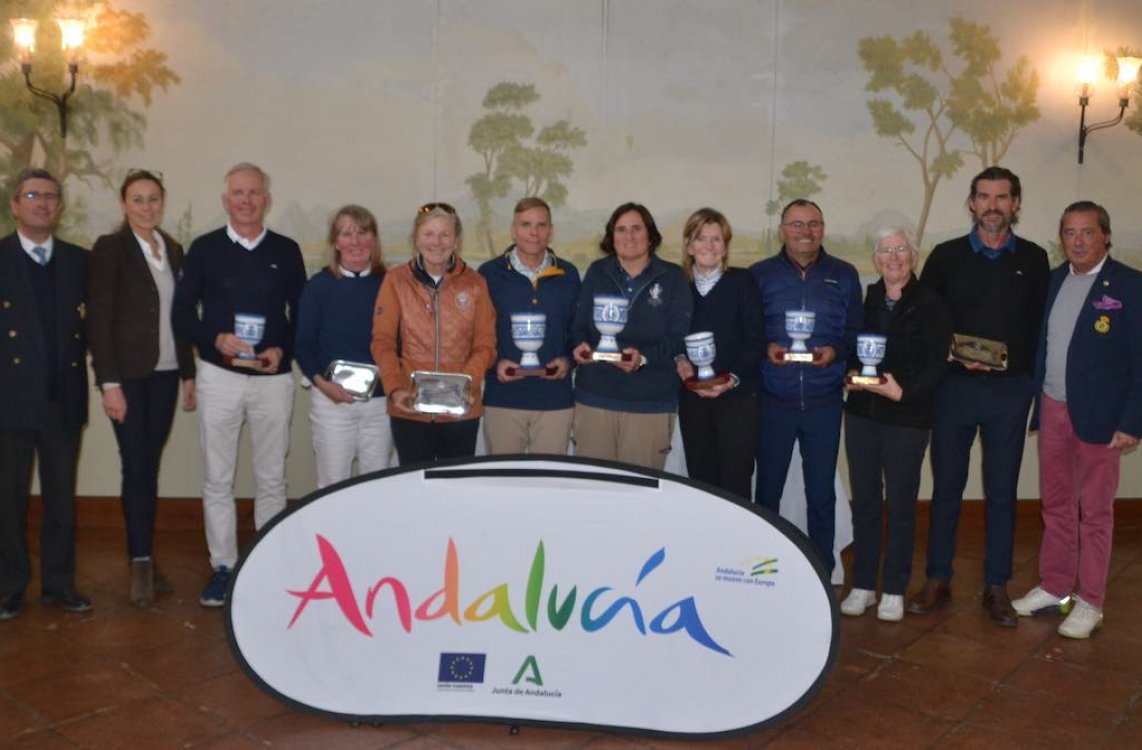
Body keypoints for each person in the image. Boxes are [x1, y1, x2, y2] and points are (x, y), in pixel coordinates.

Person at [908, 166, 1049, 627]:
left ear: (1016, 204)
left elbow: (1039, 329)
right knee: (947, 487)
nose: (993, 206)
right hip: (954, 390)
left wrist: (1031, 384)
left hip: (1010, 393)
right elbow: (925, 323)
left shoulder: (1034, 258)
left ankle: (996, 586)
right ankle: (938, 578)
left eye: (1002, 197)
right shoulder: (946, 257)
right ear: (971, 203)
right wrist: (950, 354)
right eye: (984, 197)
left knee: (1003, 492)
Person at [172, 163, 306, 608]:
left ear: (267, 198)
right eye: (237, 193)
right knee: (218, 477)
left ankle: (266, 563)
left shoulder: (287, 251)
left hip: (271, 378)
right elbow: (182, 314)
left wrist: (280, 352)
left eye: (254, 193)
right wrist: (214, 338)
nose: (246, 200)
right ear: (226, 199)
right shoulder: (204, 249)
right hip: (219, 376)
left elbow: (300, 316)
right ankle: (224, 567)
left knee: (271, 476)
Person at [1012, 201, 1142, 639]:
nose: (1079, 241)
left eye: (1087, 232)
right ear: (1061, 238)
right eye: (1070, 233)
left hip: (1102, 420)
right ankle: (1054, 587)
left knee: (1097, 514)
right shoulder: (1052, 281)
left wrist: (1133, 421)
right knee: (1056, 505)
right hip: (1053, 408)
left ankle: (1090, 602)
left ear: (1105, 234)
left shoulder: (1130, 285)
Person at [87, 170, 197, 607]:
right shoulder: (110, 249)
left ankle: (146, 555)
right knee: (135, 464)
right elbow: (99, 320)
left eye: (153, 199)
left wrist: (188, 372)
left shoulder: (171, 249)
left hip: (167, 375)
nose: (146, 207)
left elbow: (182, 317)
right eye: (138, 199)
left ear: (163, 203)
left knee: (148, 465)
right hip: (129, 377)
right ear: (124, 204)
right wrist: (109, 384)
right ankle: (139, 562)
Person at [840, 227, 952, 622]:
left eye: (901, 249)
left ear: (914, 256)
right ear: (875, 260)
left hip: (907, 417)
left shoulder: (932, 303)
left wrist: (902, 392)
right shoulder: (866, 298)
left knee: (902, 506)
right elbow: (848, 345)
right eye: (885, 250)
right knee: (866, 504)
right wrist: (850, 372)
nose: (893, 257)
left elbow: (938, 363)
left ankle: (893, 588)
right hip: (861, 415)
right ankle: (864, 585)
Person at [750, 199, 862, 575]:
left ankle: (822, 570)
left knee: (821, 493)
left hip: (824, 400)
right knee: (767, 491)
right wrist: (765, 348)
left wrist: (836, 352)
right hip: (773, 401)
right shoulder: (759, 275)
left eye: (813, 224)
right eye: (796, 224)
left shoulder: (844, 275)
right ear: (782, 230)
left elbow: (854, 334)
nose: (805, 231)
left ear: (823, 229)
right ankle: (763, 569)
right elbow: (748, 333)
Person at [0, 168, 92, 620]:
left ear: (59, 206)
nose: (43, 203)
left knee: (61, 499)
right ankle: (9, 585)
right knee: (8, 499)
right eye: (33, 195)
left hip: (63, 399)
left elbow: (95, 329)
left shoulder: (79, 261)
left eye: (51, 196)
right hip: (9, 401)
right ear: (15, 204)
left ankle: (59, 584)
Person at [370, 203, 496, 464]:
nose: (436, 242)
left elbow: (486, 345)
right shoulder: (395, 281)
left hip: (461, 408)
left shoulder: (475, 283)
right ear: (416, 238)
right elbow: (382, 342)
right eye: (429, 234)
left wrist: (468, 384)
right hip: (410, 408)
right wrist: (394, 389)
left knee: (455, 488)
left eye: (445, 234)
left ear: (457, 240)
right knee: (416, 487)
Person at [571, 202, 692, 471]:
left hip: (650, 402)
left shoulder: (672, 277)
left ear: (650, 236)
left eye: (637, 228)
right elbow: (579, 325)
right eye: (621, 229)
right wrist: (580, 345)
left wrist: (644, 358)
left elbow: (678, 337)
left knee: (639, 499)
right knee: (593, 491)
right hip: (595, 397)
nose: (629, 236)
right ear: (611, 238)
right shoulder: (596, 272)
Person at [296, 205, 394, 488]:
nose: (355, 242)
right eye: (346, 234)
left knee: (377, 485)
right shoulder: (318, 286)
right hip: (331, 402)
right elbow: (303, 344)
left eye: (363, 233)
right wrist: (323, 385)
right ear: (335, 242)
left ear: (374, 240)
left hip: (380, 404)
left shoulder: (391, 285)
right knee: (332, 485)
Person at [674, 208, 763, 501]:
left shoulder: (742, 282)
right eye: (701, 238)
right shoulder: (678, 286)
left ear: (725, 247)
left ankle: (738, 547)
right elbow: (669, 335)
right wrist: (680, 361)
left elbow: (756, 339)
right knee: (701, 483)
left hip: (737, 401)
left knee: (736, 484)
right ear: (689, 245)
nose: (709, 246)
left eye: (716, 239)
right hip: (693, 399)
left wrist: (732, 379)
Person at [480, 197, 580, 455]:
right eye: (526, 225)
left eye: (541, 225)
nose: (534, 233)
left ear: (551, 231)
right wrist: (495, 363)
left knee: (549, 485)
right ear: (513, 230)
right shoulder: (489, 274)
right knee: (503, 484)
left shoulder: (568, 275)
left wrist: (568, 361)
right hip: (503, 398)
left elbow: (578, 331)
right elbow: (478, 334)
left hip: (555, 401)